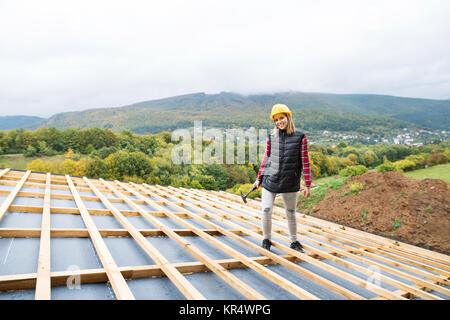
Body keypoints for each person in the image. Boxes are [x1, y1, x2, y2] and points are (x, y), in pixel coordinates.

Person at [253, 103, 312, 252]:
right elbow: (266, 159)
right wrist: (259, 178)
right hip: (270, 181)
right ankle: (266, 239)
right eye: (276, 120)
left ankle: (294, 241)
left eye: (282, 118)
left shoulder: (300, 137)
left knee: (290, 212)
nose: (279, 122)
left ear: (288, 117)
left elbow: (305, 162)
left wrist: (308, 184)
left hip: (290, 182)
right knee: (266, 210)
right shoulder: (271, 138)